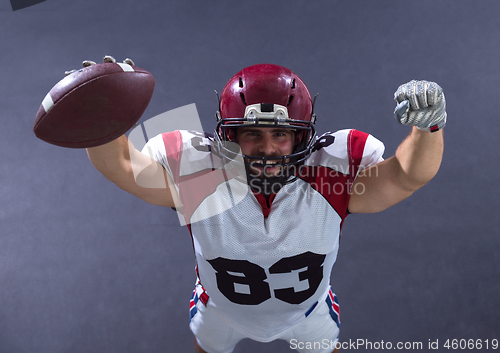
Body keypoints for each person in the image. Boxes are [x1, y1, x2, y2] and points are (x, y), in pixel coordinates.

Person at [86, 60, 446, 353]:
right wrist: (102, 116)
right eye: (252, 134)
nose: (268, 148)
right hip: (221, 310)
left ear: (302, 136)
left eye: (280, 134)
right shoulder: (201, 174)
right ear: (229, 136)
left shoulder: (328, 175)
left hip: (307, 310)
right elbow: (124, 167)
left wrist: (427, 129)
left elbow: (405, 174)